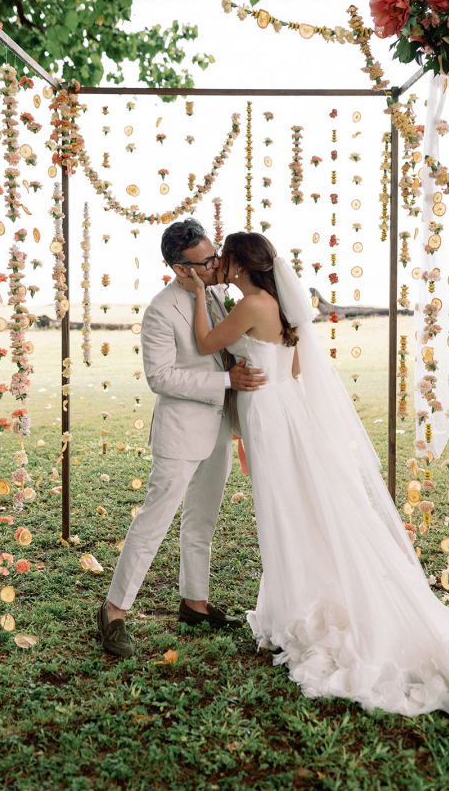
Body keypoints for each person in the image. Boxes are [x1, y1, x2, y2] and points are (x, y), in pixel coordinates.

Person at [176, 230, 449, 743]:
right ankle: (295, 598)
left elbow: (207, 343)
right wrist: (251, 366)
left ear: (242, 264)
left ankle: (297, 604)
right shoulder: (275, 304)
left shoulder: (251, 303)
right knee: (295, 507)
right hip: (280, 406)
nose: (220, 265)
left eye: (226, 258)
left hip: (269, 413)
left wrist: (196, 297)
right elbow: (293, 363)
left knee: (284, 510)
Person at [96, 219, 267, 657]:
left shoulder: (215, 294)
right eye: (206, 261)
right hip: (180, 431)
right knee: (153, 521)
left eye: (215, 255)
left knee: (202, 520)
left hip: (218, 426)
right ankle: (114, 612)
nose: (216, 265)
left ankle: (195, 603)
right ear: (179, 269)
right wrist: (226, 381)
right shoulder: (160, 310)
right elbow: (161, 377)